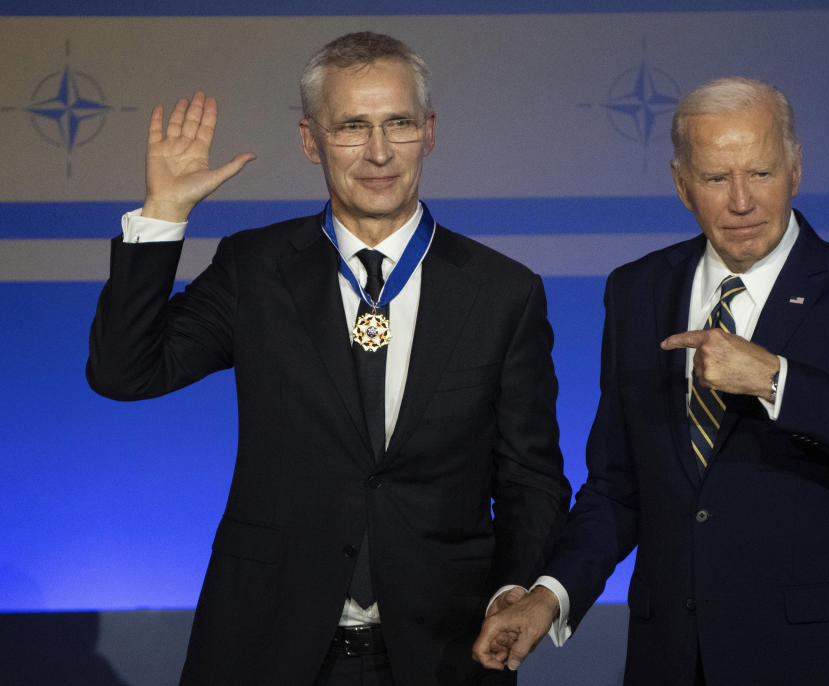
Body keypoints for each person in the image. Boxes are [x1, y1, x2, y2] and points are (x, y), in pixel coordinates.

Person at [87, 31, 570, 686]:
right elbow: (125, 372)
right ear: (311, 140)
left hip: (444, 650)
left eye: (397, 123)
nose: (378, 152)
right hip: (266, 644)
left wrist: (516, 587)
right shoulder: (255, 269)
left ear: (428, 132)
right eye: (351, 127)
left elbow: (530, 478)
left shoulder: (504, 292)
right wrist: (163, 213)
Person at [473, 77, 829, 685]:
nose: (742, 201)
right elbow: (618, 485)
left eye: (762, 173)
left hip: (822, 659)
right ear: (681, 185)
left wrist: (776, 379)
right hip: (673, 658)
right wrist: (549, 596)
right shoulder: (637, 290)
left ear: (796, 170)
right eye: (717, 179)